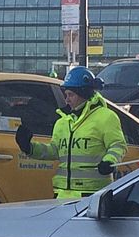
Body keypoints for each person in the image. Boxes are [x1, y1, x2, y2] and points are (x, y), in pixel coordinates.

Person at [15, 66, 126, 199]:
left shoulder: (106, 117)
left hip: (92, 194)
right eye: (66, 95)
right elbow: (54, 151)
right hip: (62, 194)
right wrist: (29, 148)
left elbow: (118, 145)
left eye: (71, 95)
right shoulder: (63, 122)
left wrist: (109, 161)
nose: (67, 100)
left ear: (84, 93)